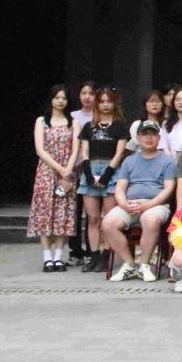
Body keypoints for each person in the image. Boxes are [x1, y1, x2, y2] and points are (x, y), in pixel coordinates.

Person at [103, 121, 175, 282]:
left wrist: (149, 205)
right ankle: (129, 264)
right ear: (138, 137)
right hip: (130, 203)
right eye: (145, 134)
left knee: (151, 220)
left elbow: (168, 189)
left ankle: (144, 265)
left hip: (156, 205)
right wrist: (123, 203)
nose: (149, 138)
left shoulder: (168, 161)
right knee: (108, 223)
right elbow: (120, 188)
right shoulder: (129, 161)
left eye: (153, 134)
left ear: (159, 138)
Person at [77, 88, 129, 273]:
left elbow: (120, 152)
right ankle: (94, 255)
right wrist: (89, 175)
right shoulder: (88, 127)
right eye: (102, 101)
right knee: (92, 218)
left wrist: (107, 175)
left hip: (111, 170)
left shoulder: (120, 125)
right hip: (90, 169)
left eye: (109, 101)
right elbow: (84, 152)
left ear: (114, 103)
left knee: (108, 218)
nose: (105, 105)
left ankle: (107, 255)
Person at [29, 85, 80, 272]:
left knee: (62, 213)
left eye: (64, 98)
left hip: (66, 174)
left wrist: (67, 170)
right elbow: (40, 150)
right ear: (51, 99)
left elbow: (75, 149)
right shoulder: (42, 121)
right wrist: (59, 168)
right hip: (46, 173)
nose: (60, 101)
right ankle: (47, 258)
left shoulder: (73, 122)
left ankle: (58, 257)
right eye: (57, 97)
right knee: (45, 212)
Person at [67, 80, 96, 265]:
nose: (87, 97)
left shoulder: (100, 116)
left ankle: (91, 251)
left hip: (94, 170)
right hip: (74, 170)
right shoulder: (72, 117)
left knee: (93, 213)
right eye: (84, 93)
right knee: (74, 212)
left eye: (91, 94)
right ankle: (75, 251)